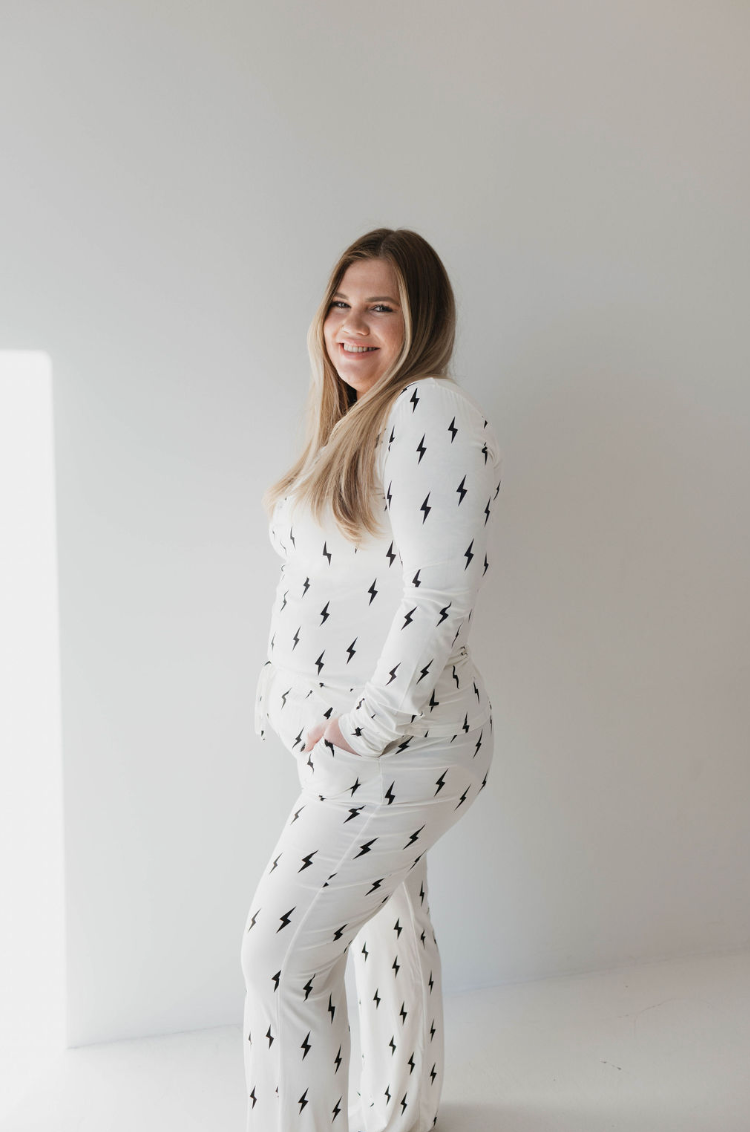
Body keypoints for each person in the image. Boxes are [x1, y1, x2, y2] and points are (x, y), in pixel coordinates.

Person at [240, 227, 503, 1132]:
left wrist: (369, 722)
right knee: (387, 925)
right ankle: (406, 1113)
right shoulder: (357, 426)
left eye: (380, 306)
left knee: (280, 958)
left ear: (420, 320)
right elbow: (317, 587)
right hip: (355, 743)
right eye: (341, 304)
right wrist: (284, 696)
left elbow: (442, 587)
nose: (352, 326)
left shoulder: (429, 408)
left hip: (404, 744)